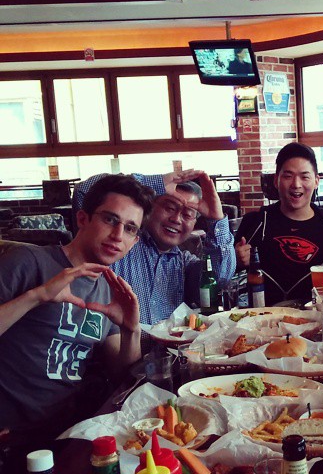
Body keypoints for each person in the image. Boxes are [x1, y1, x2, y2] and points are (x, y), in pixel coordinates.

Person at [0, 174, 154, 439]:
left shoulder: (109, 290)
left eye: (130, 228)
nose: (118, 235)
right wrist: (37, 296)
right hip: (12, 432)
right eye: (110, 219)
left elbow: (120, 374)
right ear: (83, 219)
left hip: (69, 429)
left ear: (135, 241)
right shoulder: (29, 261)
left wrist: (131, 329)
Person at [73, 169, 235, 325]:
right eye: (169, 208)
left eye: (188, 215)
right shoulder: (119, 246)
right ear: (150, 209)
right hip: (115, 349)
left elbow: (220, 277)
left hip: (171, 351)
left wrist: (216, 219)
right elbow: (83, 190)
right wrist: (154, 184)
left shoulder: (183, 264)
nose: (177, 219)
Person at [234, 142, 323, 305]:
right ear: (276, 180)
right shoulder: (256, 222)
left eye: (305, 177)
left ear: (316, 181)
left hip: (318, 319)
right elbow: (227, 279)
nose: (296, 184)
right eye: (288, 176)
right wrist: (236, 261)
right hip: (267, 322)